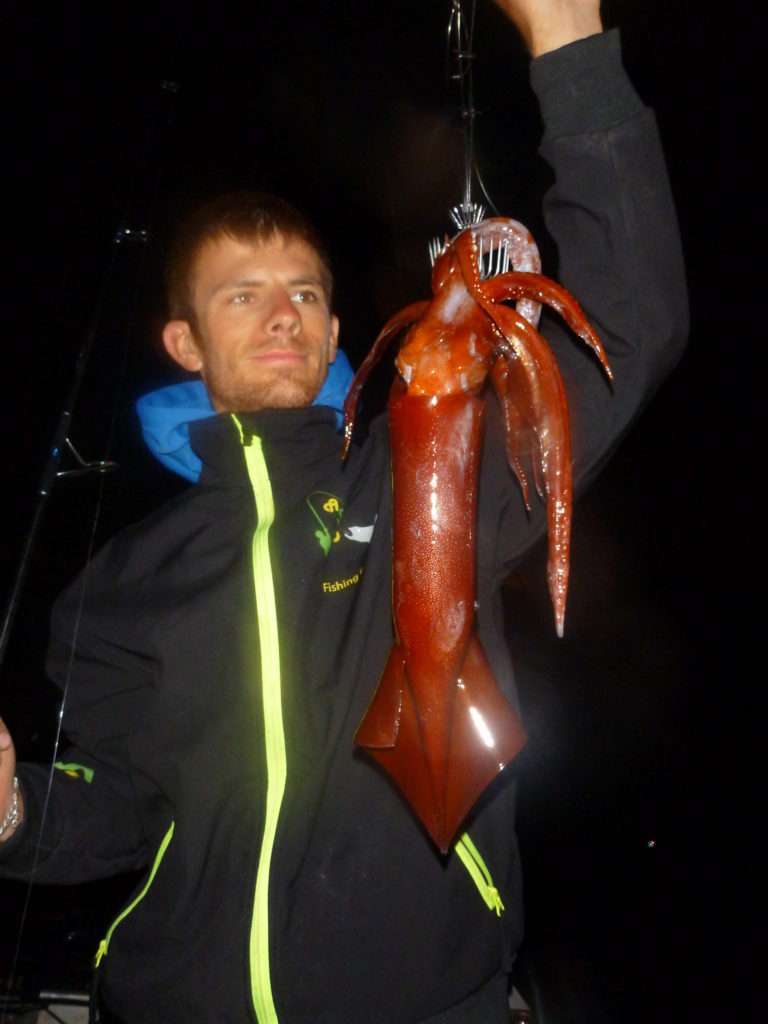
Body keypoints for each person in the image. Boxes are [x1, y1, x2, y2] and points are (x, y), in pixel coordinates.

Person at [0, 1, 688, 1021]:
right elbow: (114, 815)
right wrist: (15, 812)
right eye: (242, 295)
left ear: (332, 334)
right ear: (186, 343)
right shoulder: (124, 580)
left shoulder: (429, 470)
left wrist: (566, 38)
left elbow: (631, 324)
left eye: (307, 293)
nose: (283, 312)